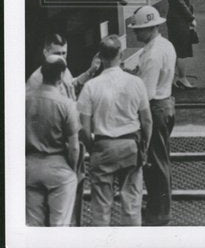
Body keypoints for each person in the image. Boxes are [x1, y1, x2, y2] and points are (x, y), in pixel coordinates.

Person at [77, 36, 151, 227]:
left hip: (102, 146)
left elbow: (83, 128)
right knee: (132, 205)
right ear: (121, 54)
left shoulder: (90, 87)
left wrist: (92, 147)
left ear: (100, 57)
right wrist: (144, 145)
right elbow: (147, 120)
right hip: (130, 146)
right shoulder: (136, 83)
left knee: (100, 208)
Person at [123, 4, 176, 226]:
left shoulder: (152, 55)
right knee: (161, 159)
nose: (135, 33)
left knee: (155, 162)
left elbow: (147, 93)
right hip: (167, 104)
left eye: (138, 29)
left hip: (155, 108)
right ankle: (158, 205)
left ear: (150, 28)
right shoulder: (165, 44)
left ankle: (160, 212)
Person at [26, 57, 80, 227]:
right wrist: (72, 169)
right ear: (62, 75)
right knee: (59, 225)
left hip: (30, 165)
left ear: (42, 73)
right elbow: (74, 147)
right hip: (58, 164)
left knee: (34, 226)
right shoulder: (66, 104)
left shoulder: (24, 99)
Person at [27, 33, 101, 100]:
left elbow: (72, 86)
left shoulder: (64, 69)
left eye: (64, 53)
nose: (61, 58)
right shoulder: (36, 80)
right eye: (57, 53)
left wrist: (91, 71)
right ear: (45, 53)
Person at [165, 0, 197, 89]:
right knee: (182, 50)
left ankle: (174, 78)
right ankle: (182, 78)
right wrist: (191, 18)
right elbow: (180, 3)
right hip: (178, 21)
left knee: (178, 50)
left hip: (178, 19)